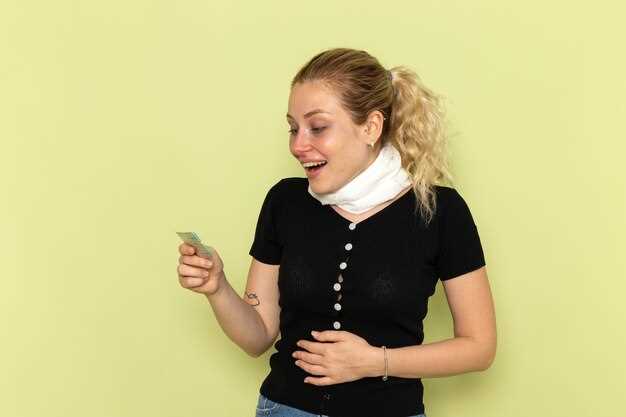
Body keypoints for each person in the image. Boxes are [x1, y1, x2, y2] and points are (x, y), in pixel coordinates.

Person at [176, 48, 497, 417]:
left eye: (318, 127)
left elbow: (479, 347)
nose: (298, 145)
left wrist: (376, 361)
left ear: (371, 127)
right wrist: (217, 288)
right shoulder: (285, 202)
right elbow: (258, 336)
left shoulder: (440, 211)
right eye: (293, 128)